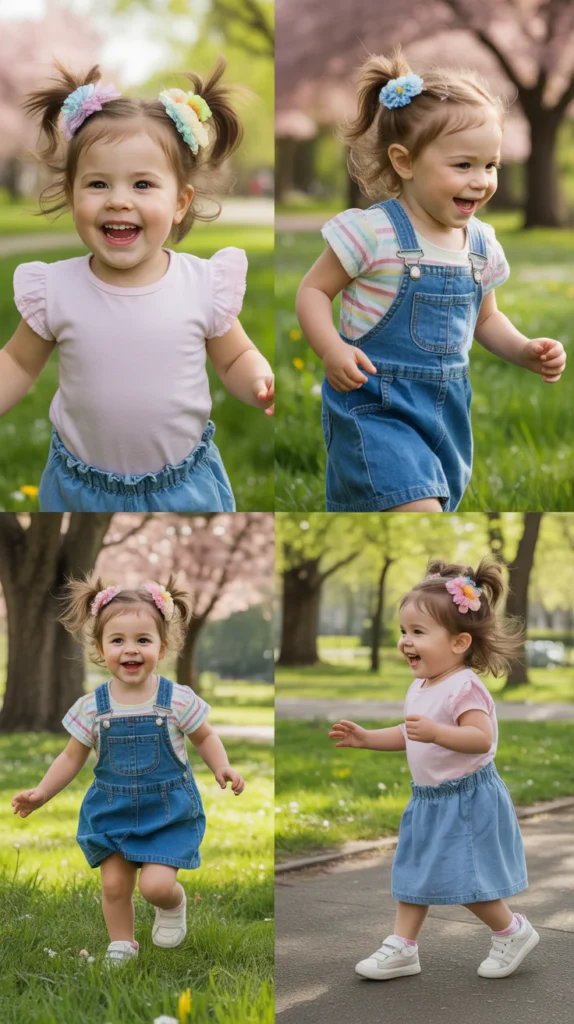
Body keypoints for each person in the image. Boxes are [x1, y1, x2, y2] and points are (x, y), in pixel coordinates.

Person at [296, 48, 566, 512]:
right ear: (405, 161)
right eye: (463, 166)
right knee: (414, 505)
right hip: (375, 407)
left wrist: (523, 349)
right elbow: (313, 291)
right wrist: (331, 348)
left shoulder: (481, 243)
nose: (480, 181)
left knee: (431, 504)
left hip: (446, 413)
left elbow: (486, 320)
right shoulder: (374, 232)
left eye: (491, 165)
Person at [0, 58, 274, 512]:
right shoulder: (55, 288)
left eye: (143, 184)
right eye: (98, 184)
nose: (119, 200)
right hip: (79, 489)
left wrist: (258, 380)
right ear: (72, 197)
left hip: (182, 486)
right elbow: (18, 363)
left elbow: (234, 358)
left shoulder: (201, 285)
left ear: (181, 202)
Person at [11, 575, 245, 966]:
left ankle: (172, 903)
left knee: (154, 886)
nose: (130, 650)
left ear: (162, 645)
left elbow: (204, 737)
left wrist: (222, 766)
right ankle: (121, 945)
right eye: (117, 640)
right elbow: (71, 758)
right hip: (112, 811)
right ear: (99, 649)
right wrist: (41, 793)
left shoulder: (176, 700)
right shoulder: (92, 707)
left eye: (142, 640)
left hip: (167, 812)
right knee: (115, 884)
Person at [329, 558, 540, 980]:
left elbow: (481, 739)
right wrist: (368, 737)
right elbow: (411, 733)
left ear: (460, 642)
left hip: (465, 799)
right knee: (413, 873)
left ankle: (512, 930)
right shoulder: (421, 685)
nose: (406, 642)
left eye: (419, 633)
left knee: (465, 879)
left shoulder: (465, 686)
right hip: (428, 799)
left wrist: (438, 733)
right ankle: (403, 946)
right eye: (403, 632)